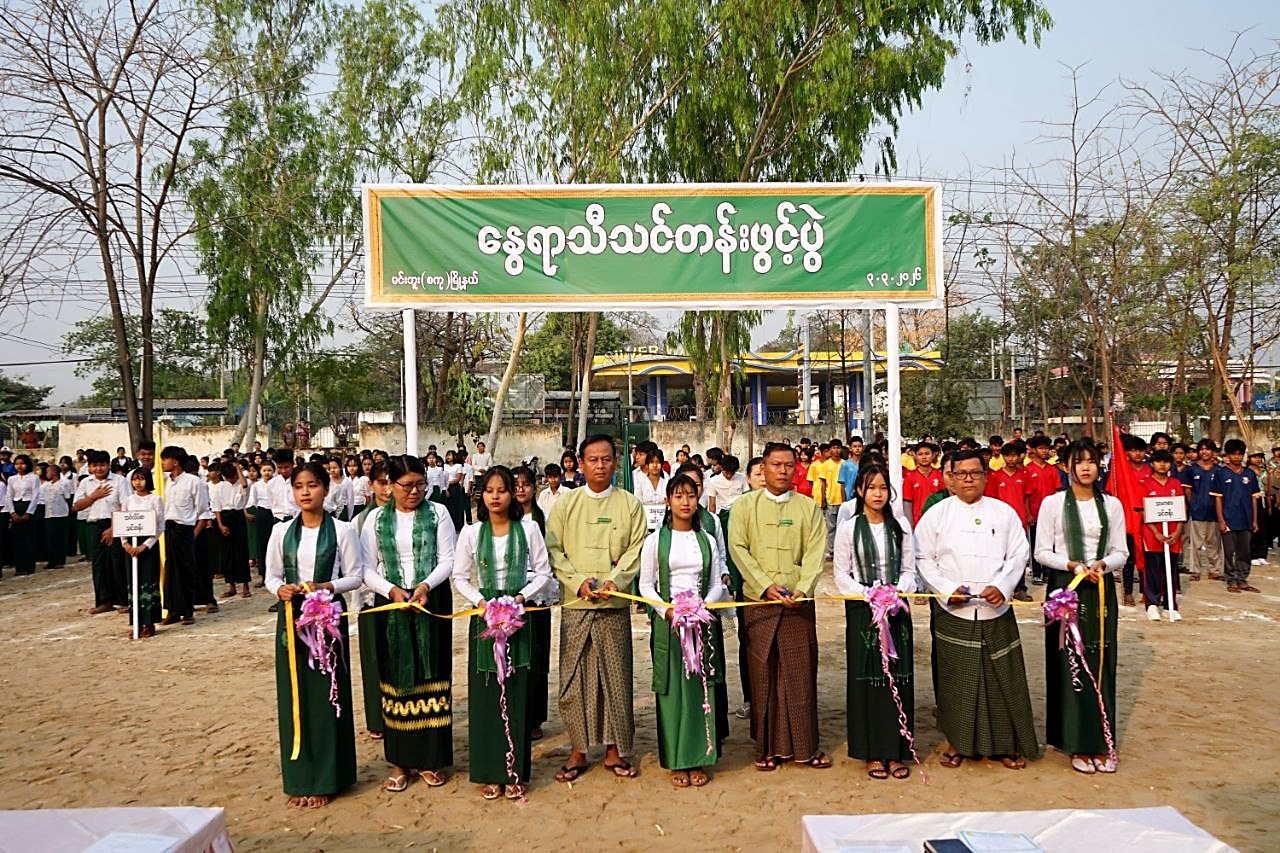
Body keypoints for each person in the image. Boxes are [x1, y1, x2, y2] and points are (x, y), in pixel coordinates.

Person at [915, 449, 1039, 770]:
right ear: (951, 478)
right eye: (961, 474)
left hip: (995, 609)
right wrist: (945, 590)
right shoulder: (937, 514)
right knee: (958, 681)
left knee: (1002, 680)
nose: (968, 479)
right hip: (954, 611)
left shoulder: (1004, 513)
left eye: (975, 473)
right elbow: (922, 558)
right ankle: (958, 743)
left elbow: (1018, 554)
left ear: (986, 476)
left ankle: (1005, 746)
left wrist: (1004, 585)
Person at [546, 434, 647, 783]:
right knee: (574, 679)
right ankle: (578, 749)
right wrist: (578, 582)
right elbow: (554, 550)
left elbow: (636, 549)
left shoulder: (630, 504)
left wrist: (615, 582)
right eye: (593, 459)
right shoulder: (565, 505)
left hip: (613, 605)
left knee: (614, 678)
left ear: (616, 462)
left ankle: (614, 749)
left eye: (606, 459)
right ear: (580, 463)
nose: (600, 465)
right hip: (577, 604)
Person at [728, 442, 830, 772]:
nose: (783, 471)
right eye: (776, 465)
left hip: (797, 602)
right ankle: (766, 747)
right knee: (763, 675)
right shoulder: (744, 506)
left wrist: (802, 588)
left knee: (799, 674)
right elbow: (739, 549)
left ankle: (805, 746)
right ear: (764, 468)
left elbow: (815, 552)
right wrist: (764, 585)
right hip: (760, 602)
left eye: (789, 465)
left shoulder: (808, 507)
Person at [452, 466, 553, 800]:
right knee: (485, 698)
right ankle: (488, 771)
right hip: (485, 620)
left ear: (513, 494)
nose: (495, 496)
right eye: (489, 490)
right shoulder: (470, 533)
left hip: (518, 620)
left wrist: (520, 598)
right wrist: (482, 603)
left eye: (503, 490)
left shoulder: (529, 529)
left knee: (516, 696)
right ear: (481, 495)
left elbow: (543, 572)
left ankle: (514, 772)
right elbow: (460, 577)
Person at [266, 461, 361, 809]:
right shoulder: (280, 532)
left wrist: (325, 586)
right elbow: (271, 576)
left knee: (327, 697)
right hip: (292, 622)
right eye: (299, 486)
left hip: (328, 620)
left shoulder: (343, 530)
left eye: (313, 485)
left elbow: (355, 575)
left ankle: (327, 777)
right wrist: (281, 590)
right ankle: (300, 777)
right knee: (295, 698)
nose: (305, 492)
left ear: (326, 488)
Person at [360, 454, 458, 793]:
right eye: (406, 486)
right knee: (396, 681)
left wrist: (424, 586)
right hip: (391, 607)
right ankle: (400, 761)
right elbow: (366, 568)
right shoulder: (374, 519)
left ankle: (430, 760)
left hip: (430, 601)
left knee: (431, 677)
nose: (414, 492)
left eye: (420, 485)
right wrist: (393, 591)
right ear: (390, 485)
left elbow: (448, 559)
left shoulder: (439, 513)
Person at [1034, 440, 1127, 774]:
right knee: (1070, 664)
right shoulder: (1053, 504)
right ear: (1067, 466)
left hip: (1100, 590)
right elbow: (1041, 551)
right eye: (1079, 461)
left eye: (1092, 461)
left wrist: (1103, 564)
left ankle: (1100, 739)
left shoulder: (1112, 505)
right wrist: (1072, 565)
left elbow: (1122, 551)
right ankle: (1074, 741)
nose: (1086, 467)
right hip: (1065, 589)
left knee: (1101, 662)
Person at [640, 473, 728, 788]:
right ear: (668, 502)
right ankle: (677, 760)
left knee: (701, 691)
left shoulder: (706, 539)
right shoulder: (654, 541)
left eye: (691, 495)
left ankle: (700, 756)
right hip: (669, 626)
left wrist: (703, 606)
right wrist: (667, 610)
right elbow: (645, 585)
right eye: (678, 496)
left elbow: (717, 581)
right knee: (672, 692)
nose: (685, 502)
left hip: (701, 624)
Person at [832, 462, 917, 781]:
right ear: (859, 491)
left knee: (899, 676)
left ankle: (896, 751)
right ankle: (871, 752)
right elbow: (841, 573)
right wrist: (870, 595)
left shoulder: (901, 526)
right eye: (871, 488)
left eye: (883, 488)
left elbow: (909, 570)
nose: (878, 494)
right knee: (868, 680)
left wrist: (895, 593)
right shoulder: (848, 528)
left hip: (896, 609)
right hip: (863, 610)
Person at [513, 465, 554, 741]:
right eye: (515, 484)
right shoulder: (504, 519)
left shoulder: (541, 519)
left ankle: (536, 716)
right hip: (510, 597)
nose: (521, 489)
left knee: (537, 656)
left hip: (536, 596)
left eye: (526, 484)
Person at [1212, 439, 1261, 593]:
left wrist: (1254, 520)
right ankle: (1231, 579)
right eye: (1234, 454)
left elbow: (1254, 499)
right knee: (1229, 551)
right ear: (1228, 455)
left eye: (1240, 454)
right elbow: (1218, 499)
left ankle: (1242, 578)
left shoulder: (1249, 474)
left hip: (1246, 519)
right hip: (1228, 520)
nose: (1237, 457)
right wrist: (1221, 520)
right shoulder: (1221, 473)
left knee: (1245, 551)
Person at [1140, 449, 1184, 621]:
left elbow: (1181, 510)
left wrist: (1178, 531)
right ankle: (1152, 603)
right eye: (1158, 461)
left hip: (1173, 535)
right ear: (1152, 464)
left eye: (1166, 461)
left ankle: (1170, 605)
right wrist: (1156, 532)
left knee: (1171, 570)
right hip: (1152, 536)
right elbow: (1143, 511)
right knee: (1152, 570)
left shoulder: (1175, 484)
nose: (1162, 465)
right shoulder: (1145, 484)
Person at [120, 467, 164, 638]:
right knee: (133, 584)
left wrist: (145, 545)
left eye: (141, 479)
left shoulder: (155, 499)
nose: (138, 483)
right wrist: (125, 544)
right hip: (130, 546)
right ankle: (136, 622)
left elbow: (160, 525)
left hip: (147, 547)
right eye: (135, 479)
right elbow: (122, 522)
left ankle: (149, 622)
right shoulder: (128, 500)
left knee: (148, 582)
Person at [160, 447, 201, 625]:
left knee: (185, 570)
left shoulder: (193, 482)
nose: (162, 463)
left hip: (184, 529)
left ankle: (187, 610)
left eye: (165, 460)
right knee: (170, 570)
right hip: (168, 529)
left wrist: (192, 533)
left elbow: (201, 510)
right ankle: (172, 609)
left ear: (175, 461)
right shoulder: (164, 482)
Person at [1178, 439, 1223, 582]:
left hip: (1214, 512)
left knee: (1213, 543)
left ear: (1213, 452)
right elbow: (1187, 490)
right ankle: (1195, 570)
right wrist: (1194, 504)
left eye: (1208, 449)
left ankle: (1214, 570)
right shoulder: (1191, 469)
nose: (1204, 452)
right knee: (1196, 543)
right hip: (1197, 512)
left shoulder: (1219, 470)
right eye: (1202, 449)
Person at [215, 461, 252, 600]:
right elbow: (216, 507)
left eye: (234, 476)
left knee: (241, 551)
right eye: (229, 477)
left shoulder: (242, 483)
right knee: (227, 554)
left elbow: (244, 484)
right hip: (225, 517)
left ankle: (245, 585)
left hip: (238, 516)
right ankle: (231, 585)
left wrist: (238, 469)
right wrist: (220, 525)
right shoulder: (219, 487)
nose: (232, 479)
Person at [4, 454, 43, 576]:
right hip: (16, 506)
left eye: (22, 463)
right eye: (17, 464)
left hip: (28, 506)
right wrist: (12, 512)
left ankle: (28, 566)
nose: (19, 466)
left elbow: (36, 496)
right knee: (17, 539)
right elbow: (8, 496)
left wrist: (28, 513)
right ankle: (19, 567)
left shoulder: (33, 478)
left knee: (29, 539)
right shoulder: (12, 479)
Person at [247, 461, 276, 587]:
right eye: (264, 470)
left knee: (275, 545)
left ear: (273, 471)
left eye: (269, 470)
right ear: (261, 471)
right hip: (262, 513)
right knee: (262, 545)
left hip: (275, 514)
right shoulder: (257, 486)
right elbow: (251, 501)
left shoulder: (277, 484)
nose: (267, 473)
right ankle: (264, 576)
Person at [38, 462, 72, 570]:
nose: (47, 473)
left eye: (48, 471)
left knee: (60, 538)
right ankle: (52, 560)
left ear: (54, 472)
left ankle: (60, 560)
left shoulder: (64, 483)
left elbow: (67, 498)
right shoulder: (46, 485)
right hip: (49, 514)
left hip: (61, 514)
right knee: (50, 538)